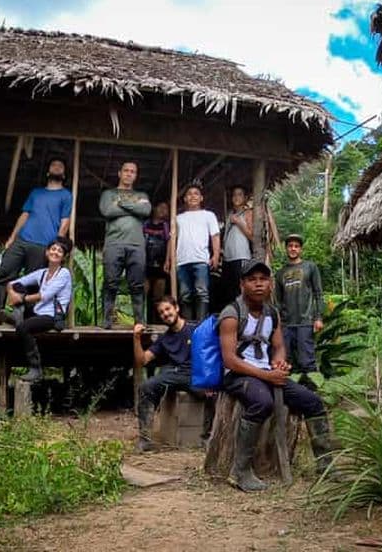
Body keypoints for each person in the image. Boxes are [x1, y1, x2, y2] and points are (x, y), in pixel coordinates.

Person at [219, 260, 335, 492]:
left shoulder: (272, 313)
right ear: (242, 284)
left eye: (263, 279)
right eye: (252, 280)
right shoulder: (232, 313)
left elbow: (279, 345)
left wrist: (278, 362)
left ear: (271, 284)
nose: (258, 284)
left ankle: (325, 465)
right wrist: (266, 375)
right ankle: (239, 471)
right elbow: (229, 360)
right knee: (262, 402)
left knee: (312, 402)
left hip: (266, 374)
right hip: (238, 375)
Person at [0, 157, 72, 326]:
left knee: (33, 282)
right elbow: (25, 215)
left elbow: (65, 221)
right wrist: (12, 238)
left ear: (64, 174)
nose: (57, 167)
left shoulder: (66, 195)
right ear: (48, 171)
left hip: (44, 245)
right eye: (53, 165)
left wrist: (56, 244)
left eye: (60, 166)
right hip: (23, 239)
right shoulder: (36, 192)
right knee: (4, 270)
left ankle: (22, 318)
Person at [132, 296, 215, 452]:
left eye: (168, 309)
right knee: (146, 387)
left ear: (176, 308)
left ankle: (207, 438)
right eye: (162, 312)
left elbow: (212, 352)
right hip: (175, 373)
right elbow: (142, 360)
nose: (166, 314)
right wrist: (136, 338)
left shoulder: (196, 328)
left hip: (196, 374)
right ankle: (145, 439)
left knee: (214, 392)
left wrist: (209, 376)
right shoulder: (164, 339)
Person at [7, 236, 73, 382]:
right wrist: (12, 292)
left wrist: (21, 299)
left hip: (52, 316)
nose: (55, 252)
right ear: (47, 252)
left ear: (63, 257)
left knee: (23, 328)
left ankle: (36, 368)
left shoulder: (64, 273)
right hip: (38, 312)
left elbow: (45, 295)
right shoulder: (42, 273)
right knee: (19, 286)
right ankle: (17, 316)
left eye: (60, 251)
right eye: (53, 249)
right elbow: (13, 283)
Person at [99, 161, 152, 328]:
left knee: (137, 284)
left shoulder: (142, 194)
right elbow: (107, 211)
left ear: (136, 176)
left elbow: (146, 211)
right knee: (110, 281)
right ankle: (107, 320)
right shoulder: (108, 194)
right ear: (119, 173)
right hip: (114, 243)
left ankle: (139, 321)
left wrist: (121, 203)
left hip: (137, 245)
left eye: (133, 171)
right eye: (126, 171)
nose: (129, 174)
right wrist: (134, 207)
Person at [165, 181, 220, 321]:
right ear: (185, 199)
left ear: (201, 198)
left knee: (202, 293)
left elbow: (215, 236)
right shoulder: (178, 218)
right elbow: (172, 239)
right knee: (185, 294)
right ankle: (188, 324)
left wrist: (216, 255)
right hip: (182, 260)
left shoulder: (209, 215)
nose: (193, 196)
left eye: (196, 194)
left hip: (201, 259)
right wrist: (168, 259)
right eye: (189, 194)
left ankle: (201, 324)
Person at [274, 234, 325, 380]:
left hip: (305, 322)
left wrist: (318, 317)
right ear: (286, 249)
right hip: (286, 324)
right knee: (286, 362)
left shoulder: (310, 267)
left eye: (296, 246)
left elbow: (318, 294)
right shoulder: (280, 273)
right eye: (290, 246)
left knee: (307, 361)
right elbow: (278, 300)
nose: (293, 249)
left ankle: (313, 394)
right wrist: (278, 324)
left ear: (300, 249)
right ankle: (290, 396)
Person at [221, 185, 253, 305]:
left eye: (239, 194)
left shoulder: (248, 213)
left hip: (241, 256)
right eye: (234, 194)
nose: (236, 197)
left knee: (240, 289)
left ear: (245, 198)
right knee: (229, 291)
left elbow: (253, 236)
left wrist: (239, 222)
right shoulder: (229, 214)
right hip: (228, 258)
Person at [143, 201, 171, 323]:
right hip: (145, 263)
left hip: (160, 264)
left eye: (166, 208)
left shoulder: (166, 226)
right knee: (144, 294)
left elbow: (170, 243)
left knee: (158, 297)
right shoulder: (145, 224)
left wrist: (167, 260)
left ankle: (156, 322)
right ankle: (144, 321)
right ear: (154, 208)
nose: (163, 210)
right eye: (161, 207)